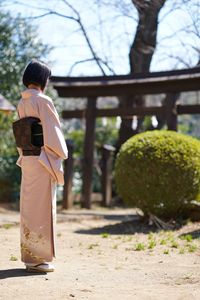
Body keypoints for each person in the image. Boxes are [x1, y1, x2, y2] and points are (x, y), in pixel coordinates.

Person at [15, 59, 68, 273]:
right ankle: (39, 259)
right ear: (42, 79)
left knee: (29, 209)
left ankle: (30, 256)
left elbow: (20, 135)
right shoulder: (43, 101)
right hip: (42, 160)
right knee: (43, 209)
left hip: (27, 159)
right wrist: (61, 154)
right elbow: (52, 133)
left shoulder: (21, 103)